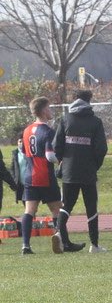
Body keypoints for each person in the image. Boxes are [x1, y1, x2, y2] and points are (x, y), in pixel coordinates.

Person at [53, 90, 108, 253]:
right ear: (89, 101)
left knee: (67, 205)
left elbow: (57, 146)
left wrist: (63, 161)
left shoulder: (65, 119)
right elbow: (101, 148)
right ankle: (95, 245)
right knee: (91, 207)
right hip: (88, 170)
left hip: (69, 170)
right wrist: (95, 165)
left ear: (75, 100)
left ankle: (58, 233)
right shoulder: (95, 122)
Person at [17, 97, 67, 255]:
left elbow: (24, 151)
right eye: (49, 108)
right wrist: (61, 160)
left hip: (29, 176)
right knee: (57, 209)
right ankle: (60, 238)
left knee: (29, 211)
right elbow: (49, 156)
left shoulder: (26, 130)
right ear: (44, 111)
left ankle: (25, 245)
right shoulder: (48, 131)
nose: (51, 111)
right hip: (44, 175)